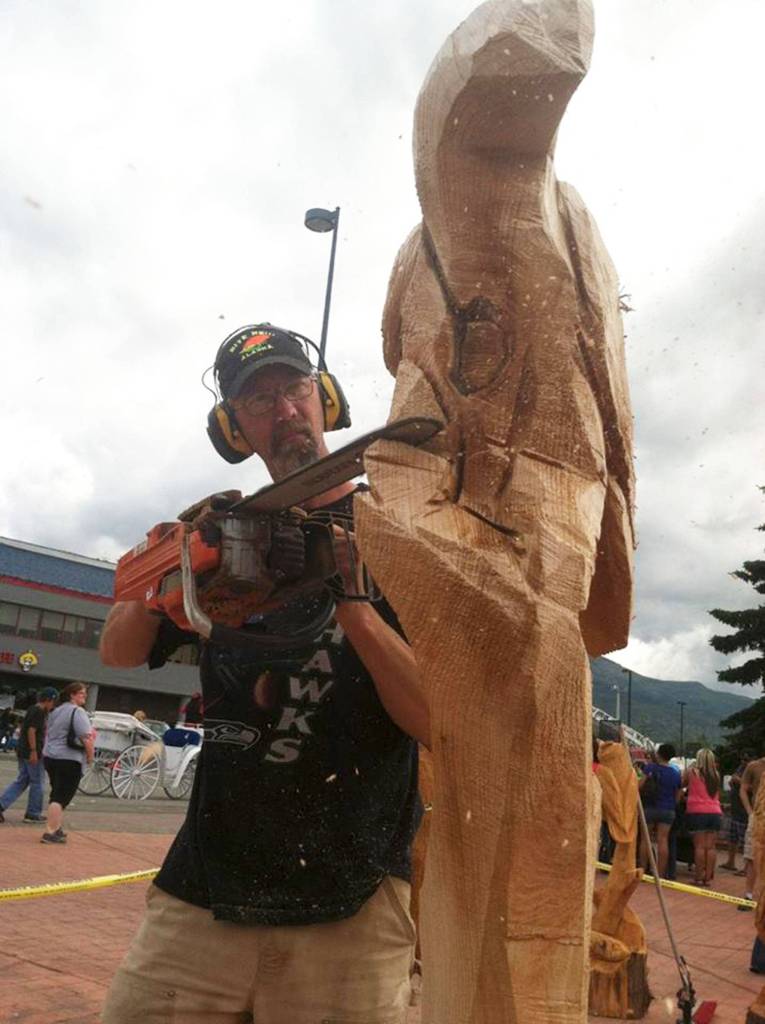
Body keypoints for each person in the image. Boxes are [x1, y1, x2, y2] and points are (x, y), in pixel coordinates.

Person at [99, 323, 428, 1023]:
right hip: (203, 893)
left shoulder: (403, 529)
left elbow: (433, 720)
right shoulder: (224, 533)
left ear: (325, 399)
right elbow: (118, 654)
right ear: (235, 429)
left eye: (293, 390)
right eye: (258, 402)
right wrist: (169, 572)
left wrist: (358, 608)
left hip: (352, 900)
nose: (282, 411)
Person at [40, 682, 94, 844]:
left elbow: (48, 732)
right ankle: (50, 831)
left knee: (56, 791)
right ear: (72, 695)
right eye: (82, 694)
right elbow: (86, 737)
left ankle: (56, 827)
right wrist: (90, 757)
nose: (84, 697)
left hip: (50, 756)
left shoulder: (55, 711)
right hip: (69, 757)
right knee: (61, 796)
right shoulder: (78, 712)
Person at [0, 687, 58, 823]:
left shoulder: (32, 709)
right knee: (37, 782)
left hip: (23, 750)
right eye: (53, 702)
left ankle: (2, 804)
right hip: (32, 752)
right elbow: (32, 730)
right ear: (49, 700)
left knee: (23, 780)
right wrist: (34, 751)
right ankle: (33, 813)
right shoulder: (39, 712)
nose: (53, 706)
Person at [638, 742, 681, 879]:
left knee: (646, 839)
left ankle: (643, 870)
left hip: (650, 807)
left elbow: (639, 785)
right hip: (667, 809)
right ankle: (660, 874)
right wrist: (673, 803)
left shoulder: (650, 768)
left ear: (658, 754)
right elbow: (679, 792)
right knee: (663, 840)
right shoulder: (675, 773)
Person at [682, 749, 723, 886]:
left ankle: (698, 877)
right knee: (710, 847)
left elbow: (681, 783)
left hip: (698, 811)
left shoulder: (693, 772)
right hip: (715, 812)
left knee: (699, 847)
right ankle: (708, 877)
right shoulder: (716, 775)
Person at [739, 753, 765, 907]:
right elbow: (743, 789)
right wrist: (750, 811)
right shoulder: (754, 766)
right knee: (752, 856)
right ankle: (748, 895)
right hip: (758, 817)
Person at [721, 754, 750, 873]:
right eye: (742, 759)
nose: (743, 762)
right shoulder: (740, 768)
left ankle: (746, 867)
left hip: (744, 811)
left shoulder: (753, 770)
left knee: (745, 841)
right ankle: (730, 861)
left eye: (746, 760)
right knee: (732, 838)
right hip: (735, 808)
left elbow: (753, 787)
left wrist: (740, 780)